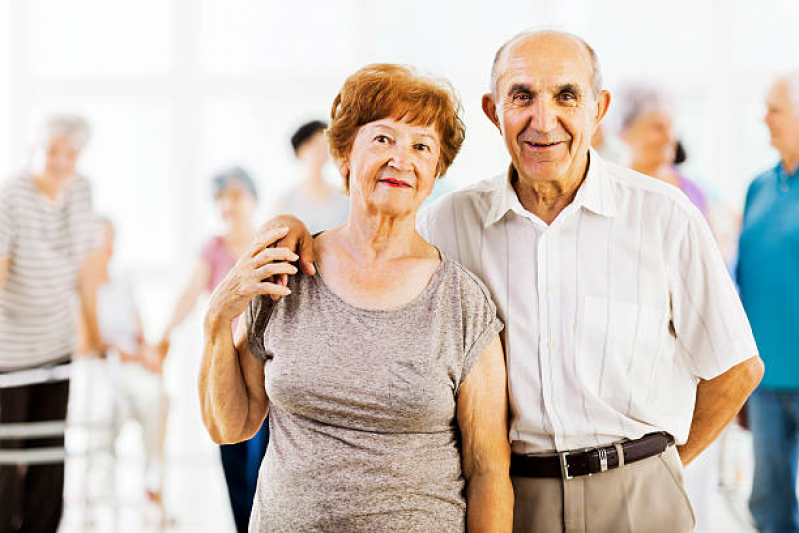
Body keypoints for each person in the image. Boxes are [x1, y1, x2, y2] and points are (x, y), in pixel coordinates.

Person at [269, 31, 764, 532]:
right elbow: (371, 251)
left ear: (599, 110)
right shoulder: (447, 223)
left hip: (639, 492)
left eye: (567, 96)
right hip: (515, 496)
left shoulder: (664, 216)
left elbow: (737, 368)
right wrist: (292, 231)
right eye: (522, 96)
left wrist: (660, 466)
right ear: (493, 110)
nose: (543, 121)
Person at [199, 63, 513, 532]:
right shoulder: (288, 273)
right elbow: (230, 426)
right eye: (383, 139)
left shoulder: (462, 302)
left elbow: (488, 471)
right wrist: (217, 319)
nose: (401, 159)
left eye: (422, 146)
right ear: (345, 155)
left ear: (436, 171)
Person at [0, 115, 102, 532]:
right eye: (53, 152)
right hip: (9, 348)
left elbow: (87, 269)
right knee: (7, 453)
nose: (62, 162)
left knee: (50, 446)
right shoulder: (10, 199)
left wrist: (93, 333)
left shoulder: (81, 192)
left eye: (70, 154)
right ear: (34, 150)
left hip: (57, 343)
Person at [157, 166, 269, 533]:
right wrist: (163, 337)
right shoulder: (213, 249)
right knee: (232, 457)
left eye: (235, 196)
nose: (228, 205)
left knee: (261, 463)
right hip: (225, 367)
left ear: (252, 199)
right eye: (221, 198)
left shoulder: (269, 244)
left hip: (264, 368)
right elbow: (189, 296)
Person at [737, 71, 799, 533]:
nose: (766, 118)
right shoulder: (759, 187)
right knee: (767, 505)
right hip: (765, 378)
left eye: (775, 108)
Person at [77, 217, 165, 505]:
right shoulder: (79, 289)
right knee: (108, 408)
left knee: (157, 398)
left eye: (109, 241)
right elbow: (90, 343)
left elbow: (139, 332)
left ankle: (153, 485)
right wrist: (132, 354)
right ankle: (95, 492)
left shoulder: (123, 282)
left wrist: (148, 351)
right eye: (100, 242)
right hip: (101, 367)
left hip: (132, 366)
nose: (106, 248)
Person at [618, 84, 709, 215]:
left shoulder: (693, 191)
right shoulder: (612, 189)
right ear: (626, 133)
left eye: (670, 127)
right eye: (657, 128)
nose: (669, 137)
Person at [275, 120, 349, 234]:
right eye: (313, 145)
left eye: (323, 146)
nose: (319, 152)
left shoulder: (345, 200)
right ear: (300, 150)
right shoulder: (284, 203)